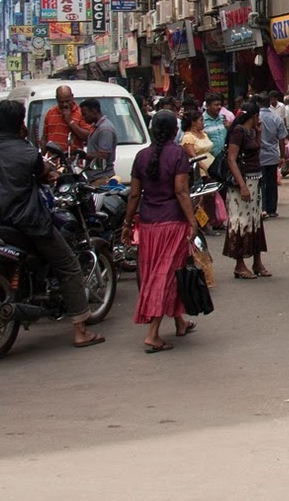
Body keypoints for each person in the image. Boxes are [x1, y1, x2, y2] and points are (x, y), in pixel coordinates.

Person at [0, 100, 105, 349]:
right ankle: (80, 331)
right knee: (68, 265)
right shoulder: (27, 152)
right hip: (26, 223)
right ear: (21, 123)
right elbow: (44, 173)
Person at [122, 110, 197, 352]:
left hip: (148, 224)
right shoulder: (177, 154)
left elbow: (134, 194)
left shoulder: (141, 156)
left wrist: (126, 224)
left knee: (157, 271)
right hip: (172, 223)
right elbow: (181, 191)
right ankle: (153, 333)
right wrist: (193, 221)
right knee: (164, 275)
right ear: (174, 131)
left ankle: (179, 321)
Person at [223, 103, 271, 279]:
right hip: (243, 183)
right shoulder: (238, 132)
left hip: (254, 180)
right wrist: (242, 185)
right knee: (241, 222)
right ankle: (240, 265)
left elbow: (256, 150)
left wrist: (258, 132)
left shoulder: (248, 132)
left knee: (255, 221)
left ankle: (257, 262)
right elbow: (231, 159)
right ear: (254, 116)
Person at [41, 84, 92, 155]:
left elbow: (88, 136)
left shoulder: (81, 113)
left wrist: (70, 121)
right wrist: (42, 157)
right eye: (61, 102)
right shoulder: (50, 113)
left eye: (67, 101)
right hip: (53, 161)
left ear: (72, 97)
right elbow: (45, 137)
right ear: (57, 99)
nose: (65, 104)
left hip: (71, 161)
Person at [258, 91, 286, 217]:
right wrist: (283, 156)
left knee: (261, 183)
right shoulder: (276, 118)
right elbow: (282, 139)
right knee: (272, 183)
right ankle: (272, 209)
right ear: (269, 103)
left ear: (258, 104)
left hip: (259, 156)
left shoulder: (255, 118)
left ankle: (262, 208)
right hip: (273, 155)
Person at [80, 98, 117, 173]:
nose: (83, 118)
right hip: (95, 177)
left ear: (93, 111)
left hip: (102, 177)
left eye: (85, 114)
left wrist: (84, 156)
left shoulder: (105, 129)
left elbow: (103, 156)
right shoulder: (97, 127)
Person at [202, 96, 229, 163]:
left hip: (224, 159)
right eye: (216, 105)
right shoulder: (201, 121)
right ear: (208, 106)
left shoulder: (223, 119)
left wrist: (229, 128)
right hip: (209, 161)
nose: (219, 107)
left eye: (220, 105)